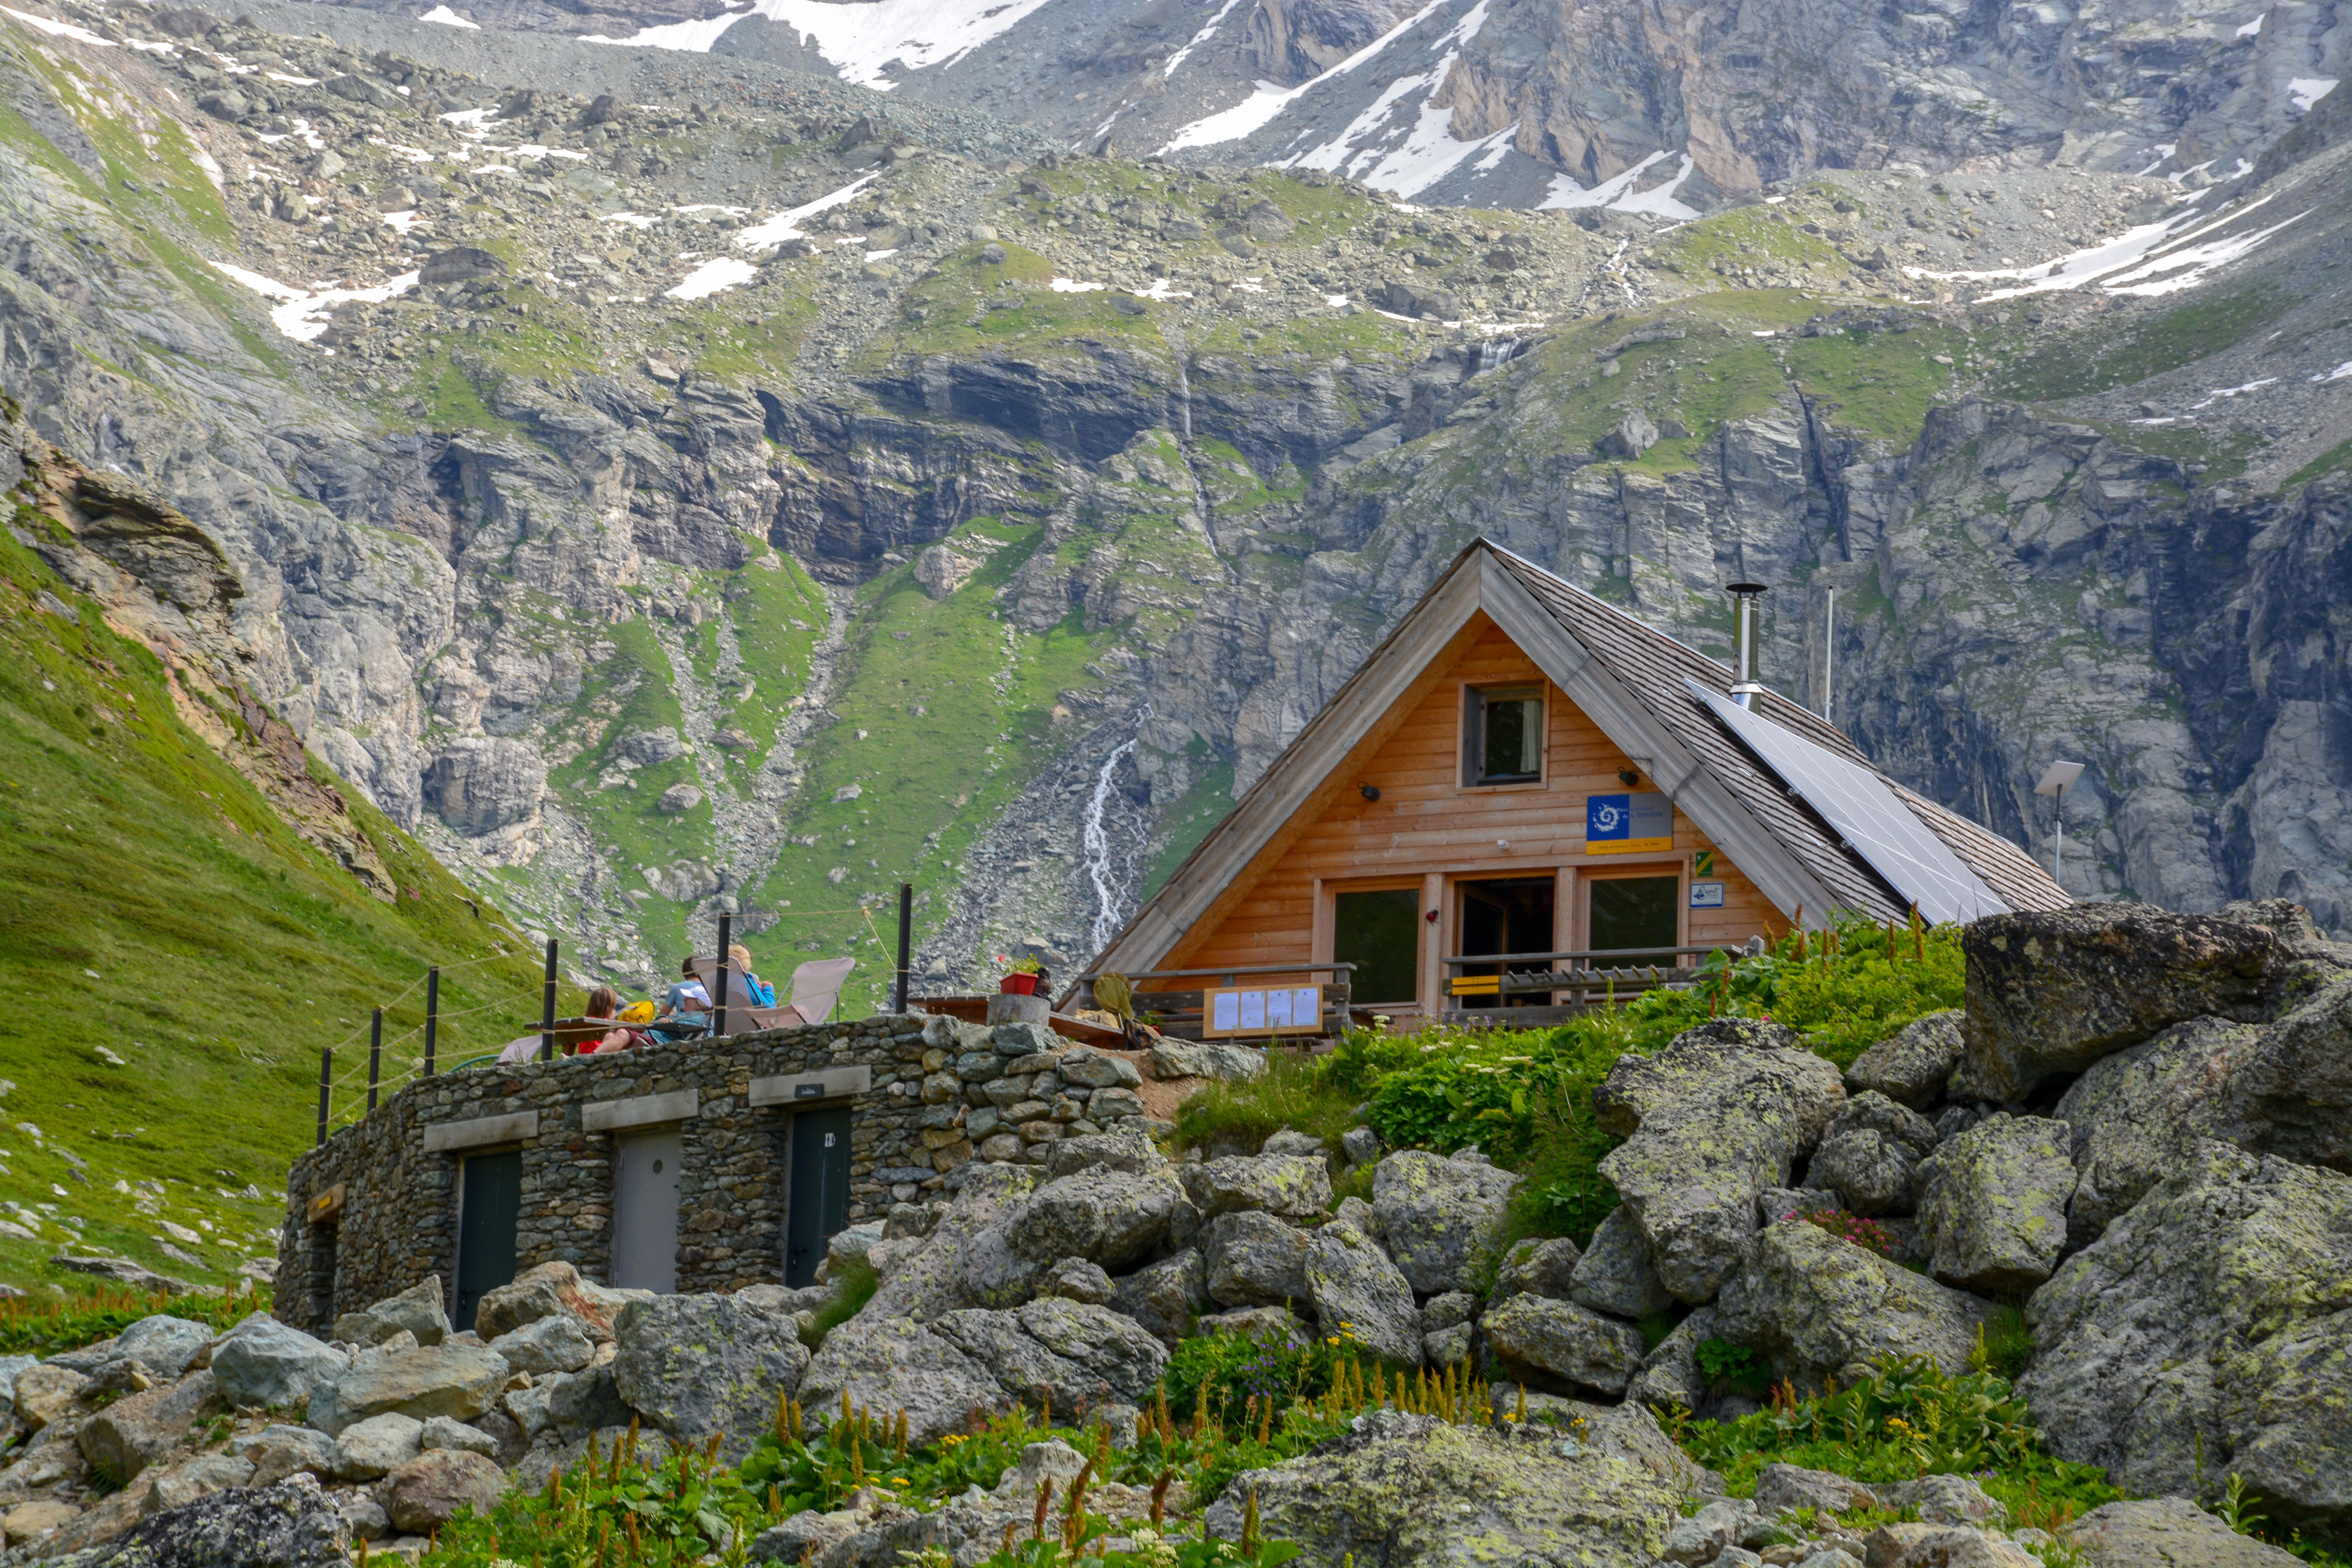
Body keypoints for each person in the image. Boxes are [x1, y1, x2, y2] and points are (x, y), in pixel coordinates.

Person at [649, 958, 710, 1043]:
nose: (684, 1000)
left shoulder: (677, 988)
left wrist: (669, 1016)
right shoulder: (711, 989)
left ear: (684, 972)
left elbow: (663, 1014)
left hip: (678, 1032)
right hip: (698, 1033)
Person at [729, 943, 775, 1009]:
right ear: (747, 964)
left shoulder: (716, 980)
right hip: (748, 1019)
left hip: (724, 1019)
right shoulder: (746, 984)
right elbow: (769, 1010)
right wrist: (768, 990)